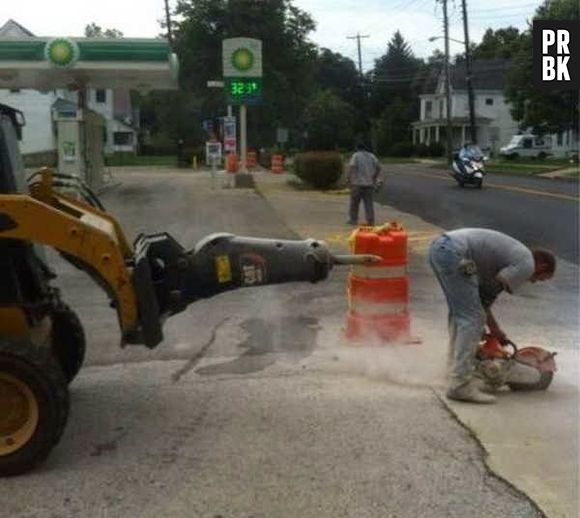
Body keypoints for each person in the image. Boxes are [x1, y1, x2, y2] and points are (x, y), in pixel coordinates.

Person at [428, 228, 556, 404]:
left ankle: (452, 372)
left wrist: (494, 329)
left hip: (441, 249)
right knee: (471, 320)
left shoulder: (513, 255)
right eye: (539, 279)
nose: (532, 282)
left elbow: (481, 299)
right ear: (541, 267)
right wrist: (494, 329)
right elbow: (488, 294)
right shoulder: (527, 264)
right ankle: (459, 385)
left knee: (461, 315)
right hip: (454, 253)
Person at [346, 142, 383, 226]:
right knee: (369, 204)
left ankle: (353, 219)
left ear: (357, 148)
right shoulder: (371, 156)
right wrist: (374, 176)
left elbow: (352, 167)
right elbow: (378, 167)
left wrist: (348, 178)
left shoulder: (356, 156)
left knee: (354, 203)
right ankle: (370, 221)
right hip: (369, 184)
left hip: (357, 183)